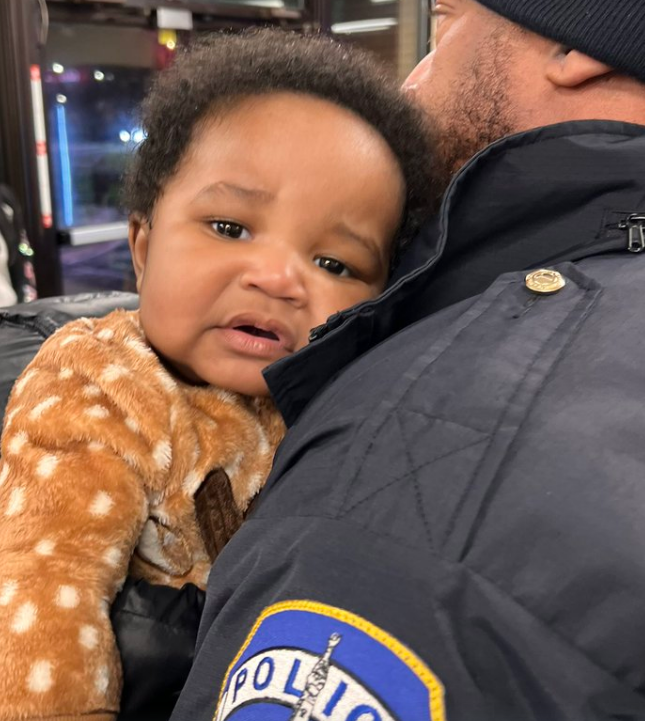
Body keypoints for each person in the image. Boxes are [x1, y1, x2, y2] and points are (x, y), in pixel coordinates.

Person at [169, 2, 645, 721]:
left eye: (444, 21)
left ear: (575, 49)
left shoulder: (413, 475)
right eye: (229, 228)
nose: (410, 80)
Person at [0, 29, 434, 721]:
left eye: (334, 264)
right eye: (230, 227)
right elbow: (47, 593)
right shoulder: (99, 386)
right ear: (142, 246)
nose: (279, 278)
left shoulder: (340, 399)